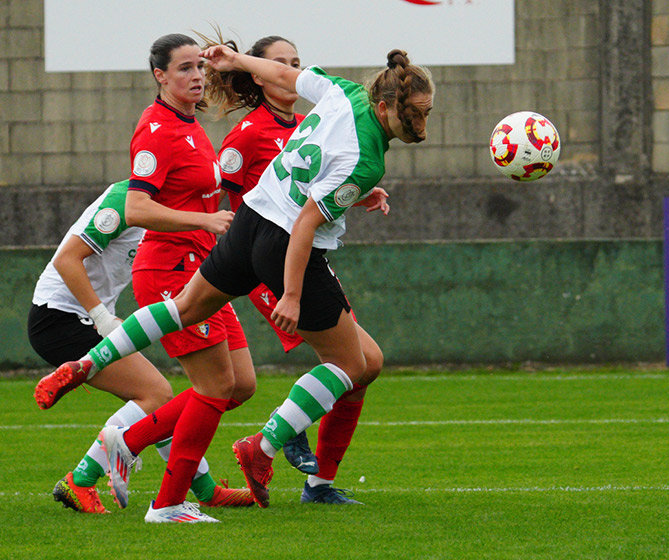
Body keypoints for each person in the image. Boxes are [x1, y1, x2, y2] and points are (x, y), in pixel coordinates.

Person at [38, 44, 432, 512]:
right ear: (385, 106)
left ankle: (91, 365)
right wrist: (289, 293)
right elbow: (305, 219)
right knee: (352, 365)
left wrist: (239, 61)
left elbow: (287, 80)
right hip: (275, 245)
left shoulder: (344, 93)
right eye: (415, 115)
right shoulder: (364, 156)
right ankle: (258, 451)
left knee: (212, 347)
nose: (422, 127)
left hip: (250, 223)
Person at [35, 33, 259, 523]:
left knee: (238, 385)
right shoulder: (155, 133)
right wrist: (102, 318)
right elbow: (135, 209)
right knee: (193, 389)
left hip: (201, 269)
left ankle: (172, 472)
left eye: (200, 66)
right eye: (184, 68)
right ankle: (156, 489)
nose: (197, 76)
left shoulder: (191, 125)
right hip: (139, 283)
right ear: (159, 75)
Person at [210, 34, 383, 504]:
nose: (288, 72)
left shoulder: (314, 122)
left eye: (295, 63)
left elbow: (316, 190)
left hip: (302, 258)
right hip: (269, 263)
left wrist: (362, 193)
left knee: (364, 365)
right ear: (259, 77)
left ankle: (310, 466)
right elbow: (229, 206)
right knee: (349, 363)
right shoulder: (247, 134)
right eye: (277, 65)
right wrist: (259, 278)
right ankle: (283, 440)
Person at [29, 181, 252, 513]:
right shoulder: (126, 201)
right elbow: (67, 259)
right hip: (60, 318)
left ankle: (204, 488)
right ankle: (82, 478)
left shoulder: (165, 209)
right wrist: (103, 318)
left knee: (159, 401)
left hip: (80, 317)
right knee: (157, 394)